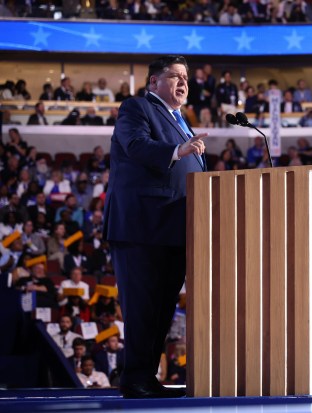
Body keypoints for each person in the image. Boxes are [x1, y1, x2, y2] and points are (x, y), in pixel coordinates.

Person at [104, 55, 208, 399]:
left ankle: (146, 378)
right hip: (142, 227)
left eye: (186, 78)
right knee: (142, 306)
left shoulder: (182, 120)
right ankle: (134, 378)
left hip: (175, 229)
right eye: (175, 76)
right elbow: (136, 146)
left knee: (162, 309)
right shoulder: (136, 108)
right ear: (153, 83)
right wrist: (179, 150)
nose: (183, 83)